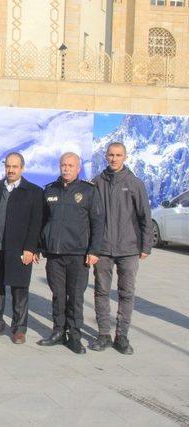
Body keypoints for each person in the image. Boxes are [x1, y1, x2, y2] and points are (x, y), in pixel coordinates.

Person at [38, 152, 104, 354]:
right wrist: (39, 247)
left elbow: (98, 223)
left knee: (75, 297)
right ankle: (58, 331)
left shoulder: (88, 191)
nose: (66, 168)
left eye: (70, 165)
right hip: (55, 255)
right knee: (58, 295)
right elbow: (42, 221)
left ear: (78, 168)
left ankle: (74, 336)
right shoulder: (50, 190)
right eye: (63, 165)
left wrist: (94, 250)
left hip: (78, 254)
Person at [90, 142, 152, 355]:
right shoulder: (97, 182)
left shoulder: (135, 183)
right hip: (103, 249)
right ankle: (104, 334)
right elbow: (90, 217)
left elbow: (145, 216)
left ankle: (122, 336)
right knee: (101, 292)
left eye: (118, 155)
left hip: (129, 249)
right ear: (105, 157)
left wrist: (146, 246)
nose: (114, 158)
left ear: (125, 157)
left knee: (126, 293)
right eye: (111, 155)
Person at [0, 152, 43, 344]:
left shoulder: (33, 191)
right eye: (8, 166)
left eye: (15, 167)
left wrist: (31, 248)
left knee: (19, 289)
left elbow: (36, 223)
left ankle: (19, 328)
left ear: (22, 168)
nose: (11, 170)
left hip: (20, 250)